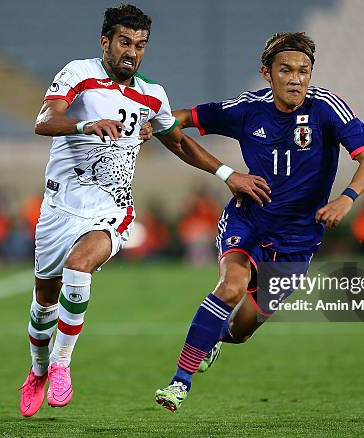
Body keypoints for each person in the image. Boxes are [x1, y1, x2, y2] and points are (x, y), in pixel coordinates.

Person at [20, 4, 270, 417]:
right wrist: (86, 126)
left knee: (79, 267)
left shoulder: (152, 94)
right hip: (60, 205)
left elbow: (179, 142)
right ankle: (37, 371)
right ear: (106, 42)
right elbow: (45, 119)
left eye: (140, 45)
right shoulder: (79, 74)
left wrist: (229, 174)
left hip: (110, 208)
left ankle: (62, 366)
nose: (131, 52)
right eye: (124, 42)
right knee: (44, 299)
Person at [154, 32, 364, 411]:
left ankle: (213, 339)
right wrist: (222, 170)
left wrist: (347, 197)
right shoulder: (247, 109)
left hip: (298, 239)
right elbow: (180, 119)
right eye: (287, 70)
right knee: (230, 286)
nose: (296, 79)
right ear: (267, 73)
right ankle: (180, 381)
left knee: (242, 330)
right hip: (250, 218)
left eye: (304, 71)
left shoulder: (326, 108)